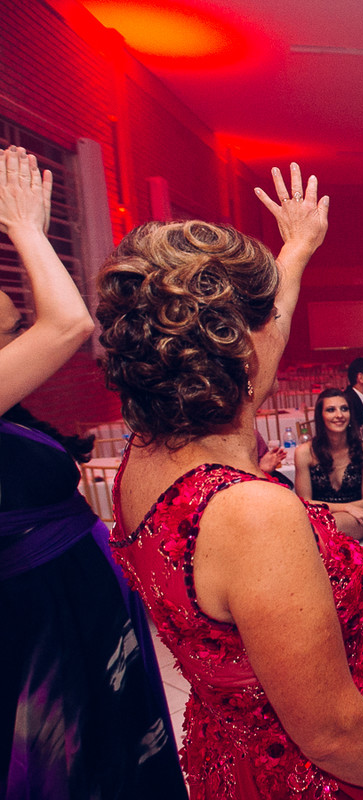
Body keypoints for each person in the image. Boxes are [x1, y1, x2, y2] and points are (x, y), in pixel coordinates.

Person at [99, 164, 363, 799]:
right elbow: (333, 732)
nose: (276, 327)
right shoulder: (249, 512)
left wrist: (298, 247)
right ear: (241, 351)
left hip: (228, 751)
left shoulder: (138, 461)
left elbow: (261, 335)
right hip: (311, 777)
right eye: (266, 320)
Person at [0, 145, 187, 797]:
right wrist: (25, 226)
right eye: (10, 330)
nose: (21, 333)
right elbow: (68, 325)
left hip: (76, 594)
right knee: (76, 765)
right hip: (36, 619)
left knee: (119, 747)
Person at [295, 388, 363, 541]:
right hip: (319, 519)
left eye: (344, 409)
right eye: (331, 410)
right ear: (320, 416)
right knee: (313, 528)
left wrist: (347, 511)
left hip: (356, 520)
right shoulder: (304, 452)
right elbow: (305, 502)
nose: (339, 415)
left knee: (324, 528)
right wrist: (346, 507)